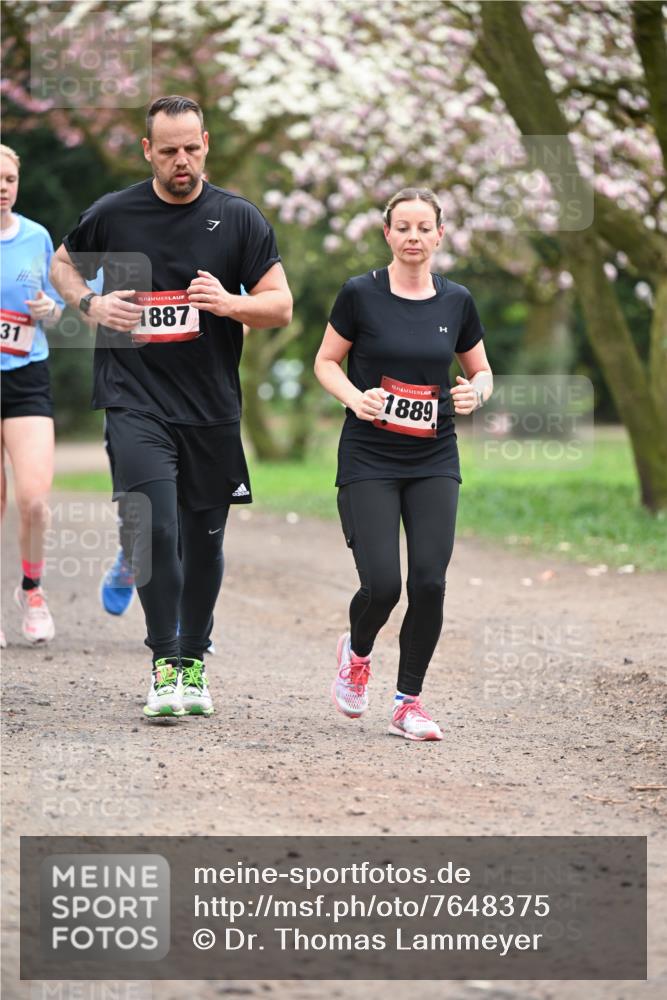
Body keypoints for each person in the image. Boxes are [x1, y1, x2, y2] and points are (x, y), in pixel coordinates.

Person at [50, 95, 292, 718]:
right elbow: (62, 265)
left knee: (203, 539)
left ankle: (193, 659)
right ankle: (165, 663)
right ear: (146, 151)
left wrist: (231, 304)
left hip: (210, 406)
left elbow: (280, 305)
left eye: (190, 148)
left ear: (206, 143)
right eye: (167, 151)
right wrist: (91, 307)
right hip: (134, 399)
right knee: (154, 529)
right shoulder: (115, 212)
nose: (180, 161)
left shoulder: (239, 219)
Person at [314, 187, 492, 741]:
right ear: (387, 233)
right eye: (403, 227)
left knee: (431, 583)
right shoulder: (359, 295)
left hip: (434, 453)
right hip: (369, 454)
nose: (414, 237)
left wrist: (476, 394)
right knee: (384, 586)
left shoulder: (457, 300)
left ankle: (408, 701)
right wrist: (354, 398)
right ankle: (357, 652)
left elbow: (481, 370)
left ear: (440, 235)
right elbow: (325, 362)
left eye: (424, 228)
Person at [1, 144, 63, 647]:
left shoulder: (37, 237)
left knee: (34, 500)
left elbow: (58, 305)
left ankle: (32, 588)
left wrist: (48, 308)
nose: (3, 186)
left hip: (26, 375)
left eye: (9, 179)